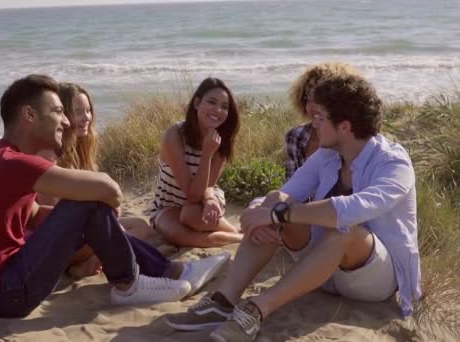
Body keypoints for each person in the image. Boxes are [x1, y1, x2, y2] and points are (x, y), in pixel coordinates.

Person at [0, 74, 229, 318]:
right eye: (58, 111)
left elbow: (33, 216)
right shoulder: (14, 162)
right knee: (90, 202)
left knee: (88, 210)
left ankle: (169, 271)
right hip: (2, 296)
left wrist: (82, 227)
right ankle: (132, 284)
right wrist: (95, 210)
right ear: (29, 116)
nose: (67, 121)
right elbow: (110, 190)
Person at [165, 74, 421, 341]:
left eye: (320, 118)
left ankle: (256, 310)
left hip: (374, 279)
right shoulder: (327, 155)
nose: (314, 123)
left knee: (344, 229)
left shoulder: (393, 163)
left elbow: (352, 209)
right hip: (321, 270)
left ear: (344, 126)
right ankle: (222, 301)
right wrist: (262, 212)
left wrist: (278, 215)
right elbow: (286, 194)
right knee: (276, 199)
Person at [35, 82, 165, 278]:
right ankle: (84, 263)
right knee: (118, 232)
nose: (86, 117)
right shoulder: (50, 157)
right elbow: (49, 222)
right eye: (78, 111)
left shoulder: (82, 149)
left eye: (88, 110)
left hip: (83, 233)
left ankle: (91, 262)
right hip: (57, 242)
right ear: (63, 116)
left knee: (140, 226)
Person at [150, 77, 243, 248]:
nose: (218, 110)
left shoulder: (221, 140)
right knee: (179, 236)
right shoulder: (175, 135)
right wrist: (207, 154)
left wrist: (209, 201)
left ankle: (235, 233)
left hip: (203, 200)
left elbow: (207, 187)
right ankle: (239, 236)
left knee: (190, 215)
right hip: (168, 205)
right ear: (197, 103)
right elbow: (190, 193)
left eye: (224, 107)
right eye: (212, 102)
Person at [285, 62, 360, 181]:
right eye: (309, 99)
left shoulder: (354, 140)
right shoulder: (296, 137)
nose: (314, 107)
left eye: (320, 100)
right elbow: (291, 185)